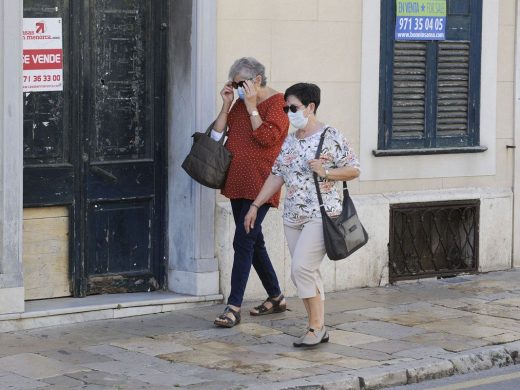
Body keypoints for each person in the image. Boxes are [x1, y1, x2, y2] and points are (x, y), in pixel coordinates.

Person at [244, 83, 360, 347]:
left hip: (321, 215)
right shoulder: (291, 141)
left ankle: (316, 327)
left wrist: (326, 172)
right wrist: (255, 205)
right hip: (293, 217)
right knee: (307, 273)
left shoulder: (330, 136)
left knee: (301, 269)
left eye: (293, 107)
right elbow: (277, 175)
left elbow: (354, 169)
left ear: (310, 107)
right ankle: (317, 327)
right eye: (285, 108)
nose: (288, 112)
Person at [212, 57, 289, 328]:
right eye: (233, 83)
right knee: (254, 242)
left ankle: (233, 306)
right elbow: (216, 134)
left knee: (243, 241)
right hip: (236, 182)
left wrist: (252, 106)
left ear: (256, 80)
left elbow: (267, 138)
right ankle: (276, 296)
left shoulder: (278, 104)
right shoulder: (239, 104)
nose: (236, 87)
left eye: (239, 83)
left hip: (261, 185)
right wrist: (226, 104)